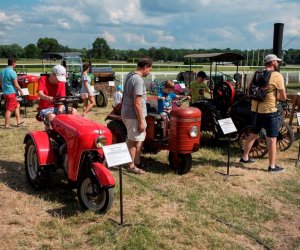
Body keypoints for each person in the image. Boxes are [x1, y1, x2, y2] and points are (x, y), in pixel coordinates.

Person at [240, 54, 287, 173]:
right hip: (269, 110)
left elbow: (250, 88)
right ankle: (272, 166)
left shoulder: (256, 73)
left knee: (254, 133)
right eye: (277, 61)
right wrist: (277, 96)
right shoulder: (277, 75)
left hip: (255, 109)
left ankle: (244, 157)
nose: (278, 63)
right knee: (272, 138)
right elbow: (283, 97)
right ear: (272, 62)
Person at [121, 57, 153, 174]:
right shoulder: (138, 80)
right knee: (133, 140)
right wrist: (141, 121)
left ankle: (137, 161)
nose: (149, 72)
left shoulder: (130, 75)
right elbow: (137, 103)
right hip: (134, 115)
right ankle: (131, 166)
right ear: (145, 67)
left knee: (138, 138)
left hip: (128, 112)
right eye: (150, 69)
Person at [37, 64, 77, 129]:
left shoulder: (61, 83)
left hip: (57, 107)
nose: (59, 81)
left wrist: (60, 110)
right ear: (53, 74)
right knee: (52, 116)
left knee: (73, 111)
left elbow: (62, 98)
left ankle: (70, 131)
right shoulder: (43, 79)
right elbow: (40, 93)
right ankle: (51, 133)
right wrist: (46, 97)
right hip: (45, 108)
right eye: (58, 79)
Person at [0, 58, 24, 129]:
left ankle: (18, 121)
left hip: (5, 92)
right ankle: (6, 125)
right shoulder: (12, 72)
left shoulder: (2, 71)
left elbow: (0, 82)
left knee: (17, 105)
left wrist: (4, 89)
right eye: (15, 63)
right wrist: (21, 91)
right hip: (11, 93)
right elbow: (16, 84)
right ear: (13, 63)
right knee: (9, 109)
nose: (15, 65)